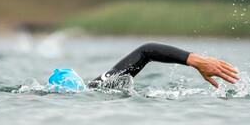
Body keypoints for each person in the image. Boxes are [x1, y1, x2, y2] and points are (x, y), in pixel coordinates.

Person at [47, 42, 239, 92]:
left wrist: (195, 60)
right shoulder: (98, 88)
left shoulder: (98, 87)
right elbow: (146, 51)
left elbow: (145, 51)